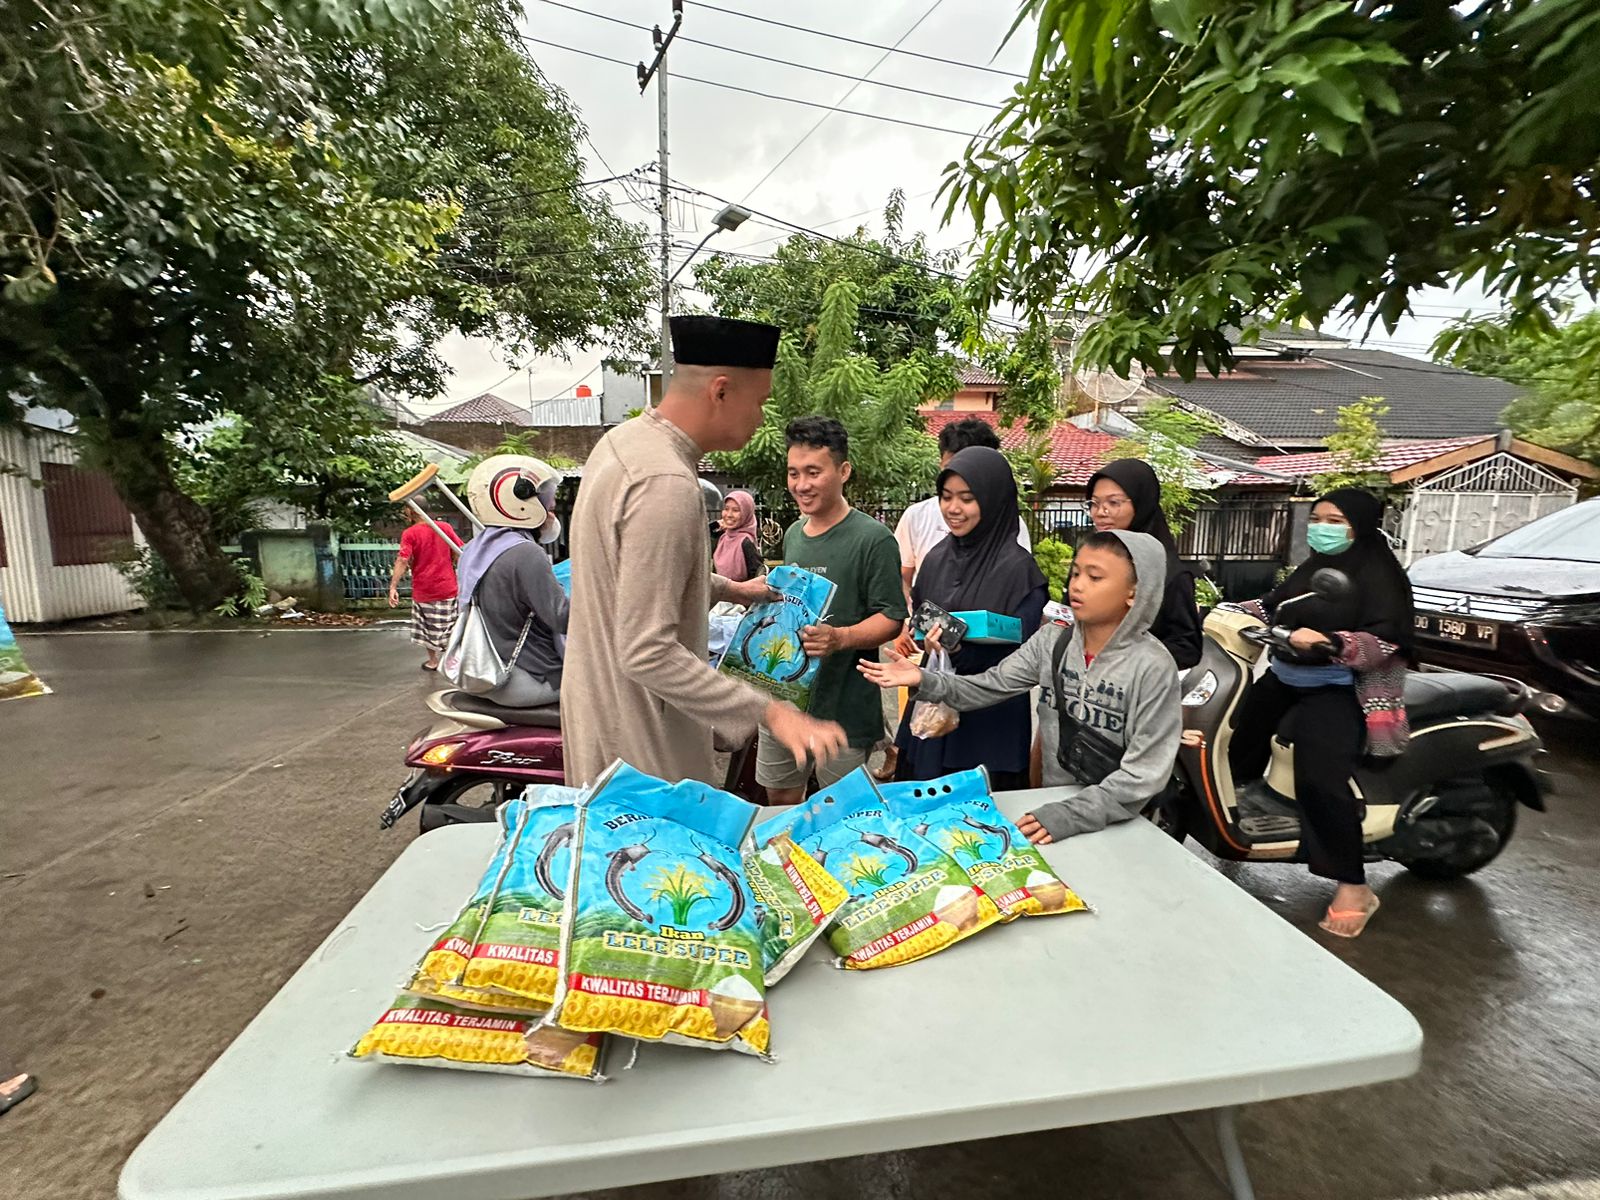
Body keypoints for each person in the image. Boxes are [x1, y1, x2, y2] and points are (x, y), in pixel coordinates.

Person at [561, 315, 847, 787]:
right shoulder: (665, 484)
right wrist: (771, 711)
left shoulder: (623, 444)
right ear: (720, 391)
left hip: (599, 708)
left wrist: (731, 589)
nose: (760, 418)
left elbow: (633, 573)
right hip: (637, 737)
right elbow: (646, 652)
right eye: (758, 402)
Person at [863, 530, 1182, 842]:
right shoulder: (1052, 641)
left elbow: (1144, 773)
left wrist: (1070, 814)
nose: (1077, 585)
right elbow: (991, 685)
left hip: (1123, 824)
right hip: (1052, 808)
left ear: (1135, 592)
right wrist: (925, 679)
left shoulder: (1153, 666)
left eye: (1094, 577)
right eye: (1075, 573)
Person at [1228, 488, 1414, 940]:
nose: (1321, 528)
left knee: (1319, 776)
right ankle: (1242, 811)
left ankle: (1354, 884)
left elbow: (1386, 642)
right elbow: (1277, 603)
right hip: (1289, 676)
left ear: (1361, 525)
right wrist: (1227, 611)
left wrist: (1335, 643)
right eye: (1317, 518)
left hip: (1343, 688)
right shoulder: (1315, 569)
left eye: (1334, 520)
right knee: (1236, 735)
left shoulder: (1383, 577)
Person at [758, 416, 908, 805]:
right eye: (793, 473)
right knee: (781, 806)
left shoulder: (873, 539)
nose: (801, 485)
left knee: (843, 816)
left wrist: (840, 638)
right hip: (785, 702)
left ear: (843, 471)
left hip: (844, 709)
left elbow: (892, 618)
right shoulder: (793, 534)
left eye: (813, 472)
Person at [892, 446, 1047, 790]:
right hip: (933, 717)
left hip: (990, 724)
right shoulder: (935, 559)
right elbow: (921, 620)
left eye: (967, 498)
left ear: (993, 500)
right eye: (946, 497)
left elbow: (1024, 656)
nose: (953, 509)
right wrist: (925, 640)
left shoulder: (1020, 571)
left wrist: (960, 651)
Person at [453, 455, 569, 709]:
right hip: (528, 679)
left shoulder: (474, 551)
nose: (553, 502)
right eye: (545, 497)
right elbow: (562, 618)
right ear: (518, 502)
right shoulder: (526, 553)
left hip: (485, 672)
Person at [893, 416, 1031, 601]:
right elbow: (902, 577)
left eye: (967, 498)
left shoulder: (1012, 530)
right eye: (949, 468)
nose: (953, 509)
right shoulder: (917, 517)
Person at [1084, 459, 1203, 670]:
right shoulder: (1090, 561)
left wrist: (1127, 662)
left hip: (1136, 694)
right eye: (1094, 503)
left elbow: (1187, 648)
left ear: (1141, 505)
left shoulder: (1171, 574)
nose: (1100, 512)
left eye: (1113, 503)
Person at [388, 507, 464, 671]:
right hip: (447, 586)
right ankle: (453, 660)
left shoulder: (410, 533)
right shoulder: (444, 528)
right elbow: (459, 552)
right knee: (451, 625)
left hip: (424, 588)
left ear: (410, 510)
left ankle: (433, 661)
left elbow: (403, 559)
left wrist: (393, 586)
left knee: (427, 627)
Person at [713, 490, 763, 583]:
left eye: (735, 510)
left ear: (746, 514)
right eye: (726, 509)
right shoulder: (723, 539)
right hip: (720, 595)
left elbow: (757, 579)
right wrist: (716, 525)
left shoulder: (746, 542)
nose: (729, 515)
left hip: (741, 596)